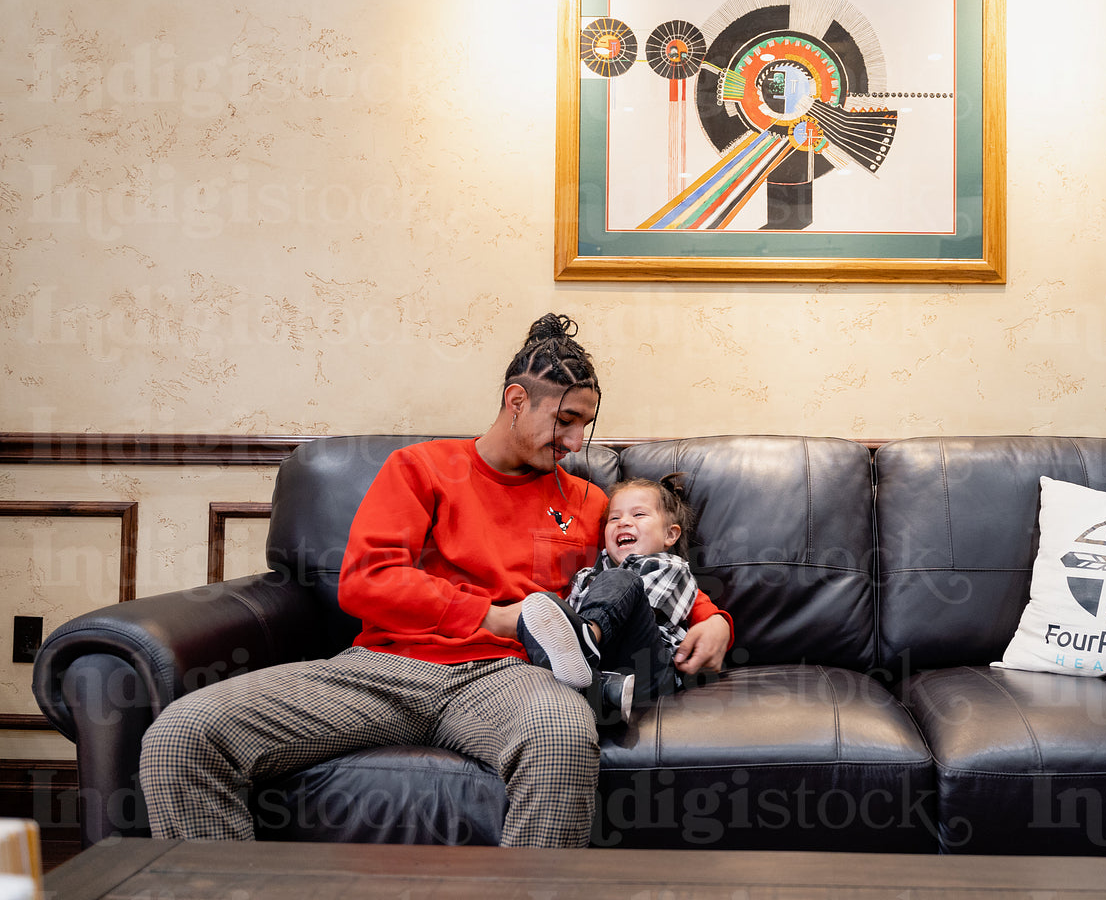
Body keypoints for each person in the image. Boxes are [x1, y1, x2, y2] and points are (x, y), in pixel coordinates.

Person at [137, 313, 733, 848]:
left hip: (509, 677)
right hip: (385, 668)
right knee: (183, 735)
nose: (577, 442)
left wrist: (714, 621)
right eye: (566, 421)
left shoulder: (585, 498)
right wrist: (492, 615)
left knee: (560, 732)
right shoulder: (421, 468)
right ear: (517, 401)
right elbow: (367, 581)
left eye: (586, 425)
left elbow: (640, 572)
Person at [516, 473, 706, 724]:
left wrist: (581, 631)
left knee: (621, 580)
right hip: (605, 671)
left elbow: (634, 609)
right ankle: (602, 690)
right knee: (538, 607)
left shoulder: (671, 568)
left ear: (670, 535)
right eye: (614, 518)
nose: (623, 522)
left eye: (638, 515)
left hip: (649, 668)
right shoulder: (587, 575)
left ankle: (586, 643)